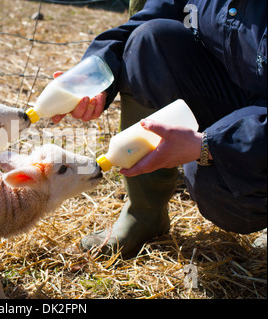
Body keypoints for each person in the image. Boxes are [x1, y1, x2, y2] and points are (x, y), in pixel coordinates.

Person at [53, 0, 267, 258]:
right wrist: (96, 73)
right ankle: (145, 213)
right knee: (148, 42)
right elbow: (142, 23)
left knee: (217, 184)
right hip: (234, 91)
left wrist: (212, 145)